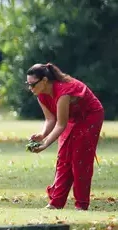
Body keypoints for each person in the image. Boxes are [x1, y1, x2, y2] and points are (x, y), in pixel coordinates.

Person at [25, 63, 104, 211]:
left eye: (32, 84)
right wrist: (42, 135)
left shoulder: (63, 92)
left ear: (44, 81)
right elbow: (51, 120)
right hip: (71, 117)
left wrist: (45, 144)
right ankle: (56, 203)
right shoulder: (41, 94)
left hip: (90, 115)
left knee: (79, 158)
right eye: (28, 84)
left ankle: (81, 204)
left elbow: (61, 125)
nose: (30, 88)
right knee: (64, 158)